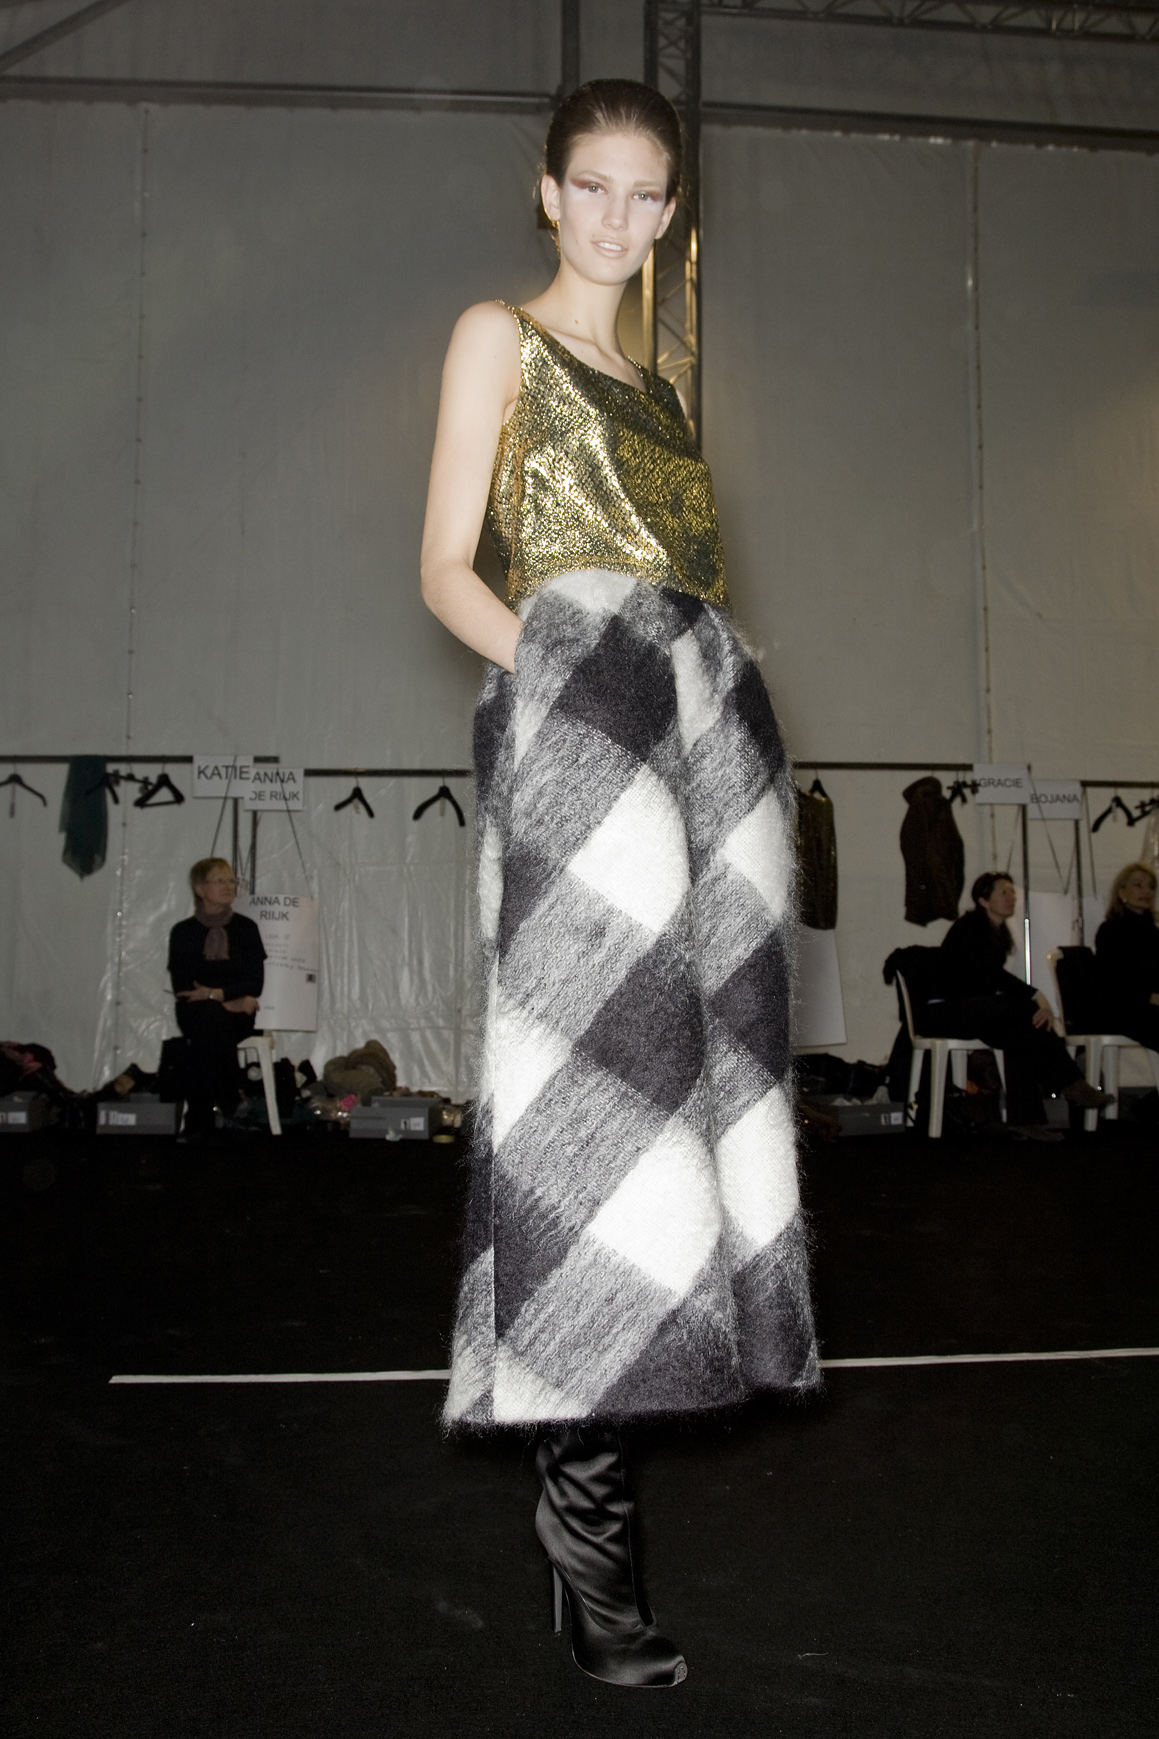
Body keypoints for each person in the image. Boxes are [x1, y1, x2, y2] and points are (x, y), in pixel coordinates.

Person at [420, 80, 817, 1689]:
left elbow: (682, 594)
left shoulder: (658, 387)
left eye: (644, 195)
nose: (614, 218)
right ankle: (590, 1556)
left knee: (681, 1121)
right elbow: (445, 569)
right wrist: (573, 686)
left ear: (668, 214)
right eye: (590, 185)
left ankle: (589, 1533)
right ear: (547, 190)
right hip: (580, 750)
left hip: (690, 748)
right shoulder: (495, 337)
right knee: (588, 1116)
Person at [930, 871, 1111, 1139]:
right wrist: (1036, 997)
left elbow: (992, 982)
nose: (1011, 897)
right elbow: (989, 977)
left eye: (1012, 892)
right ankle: (1071, 1083)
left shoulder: (997, 933)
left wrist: (1035, 1000)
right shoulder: (969, 928)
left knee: (1022, 1034)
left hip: (978, 1011)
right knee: (1027, 1011)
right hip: (948, 1011)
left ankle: (1026, 1120)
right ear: (983, 900)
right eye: (1003, 892)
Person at [168, 857, 265, 1139]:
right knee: (209, 1017)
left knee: (206, 1033)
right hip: (199, 1011)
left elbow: (255, 983)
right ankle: (231, 1097)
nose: (228, 886)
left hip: (237, 1016)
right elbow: (183, 987)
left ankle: (199, 1120)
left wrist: (213, 994)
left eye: (231, 880)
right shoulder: (183, 932)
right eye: (219, 881)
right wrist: (227, 998)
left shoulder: (246, 928)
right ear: (200, 889)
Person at [1095, 863, 1159, 1050]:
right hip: (1122, 1009)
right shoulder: (1110, 931)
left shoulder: (1152, 932)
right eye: (1138, 885)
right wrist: (1150, 996)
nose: (1146, 891)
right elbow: (1115, 980)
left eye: (1151, 887)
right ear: (1122, 892)